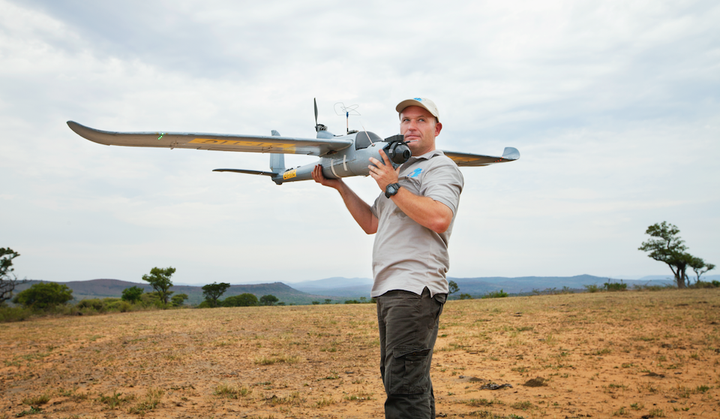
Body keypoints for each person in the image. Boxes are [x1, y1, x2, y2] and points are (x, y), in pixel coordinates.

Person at [311, 98, 464, 418]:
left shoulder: (440, 166)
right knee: (406, 381)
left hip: (415, 288)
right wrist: (339, 186)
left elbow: (439, 218)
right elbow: (371, 223)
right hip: (391, 289)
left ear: (436, 128)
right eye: (405, 119)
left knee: (403, 387)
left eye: (421, 120)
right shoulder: (400, 172)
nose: (411, 125)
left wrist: (392, 186)